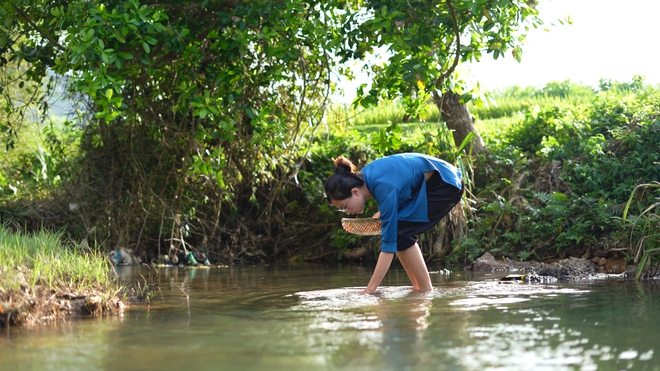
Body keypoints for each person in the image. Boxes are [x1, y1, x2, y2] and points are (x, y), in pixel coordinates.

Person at [324, 153, 464, 294]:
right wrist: (382, 213)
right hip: (433, 182)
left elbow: (388, 247)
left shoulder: (381, 186)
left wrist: (370, 289)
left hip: (447, 183)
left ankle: (425, 289)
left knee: (401, 231)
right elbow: (398, 187)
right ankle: (417, 288)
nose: (346, 211)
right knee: (399, 231)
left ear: (355, 192)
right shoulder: (367, 178)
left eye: (344, 206)